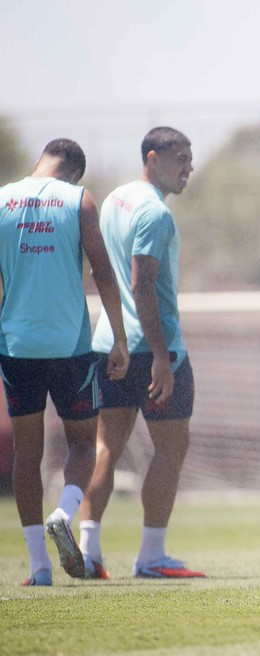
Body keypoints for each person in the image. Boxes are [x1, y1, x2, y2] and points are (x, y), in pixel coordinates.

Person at [0, 139, 129, 586]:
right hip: (69, 346)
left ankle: (39, 567)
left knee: (27, 454)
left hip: (16, 345)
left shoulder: (2, 200)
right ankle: (64, 512)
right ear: (74, 172)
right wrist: (119, 337)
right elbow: (102, 270)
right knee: (83, 445)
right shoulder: (78, 200)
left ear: (41, 161)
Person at [78, 127, 205, 580]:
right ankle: (151, 556)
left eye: (190, 158)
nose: (188, 167)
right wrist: (160, 356)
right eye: (180, 158)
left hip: (110, 344)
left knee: (106, 448)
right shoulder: (155, 212)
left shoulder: (115, 200)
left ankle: (88, 551)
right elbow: (141, 284)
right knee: (171, 448)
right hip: (153, 350)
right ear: (152, 158)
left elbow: (100, 270)